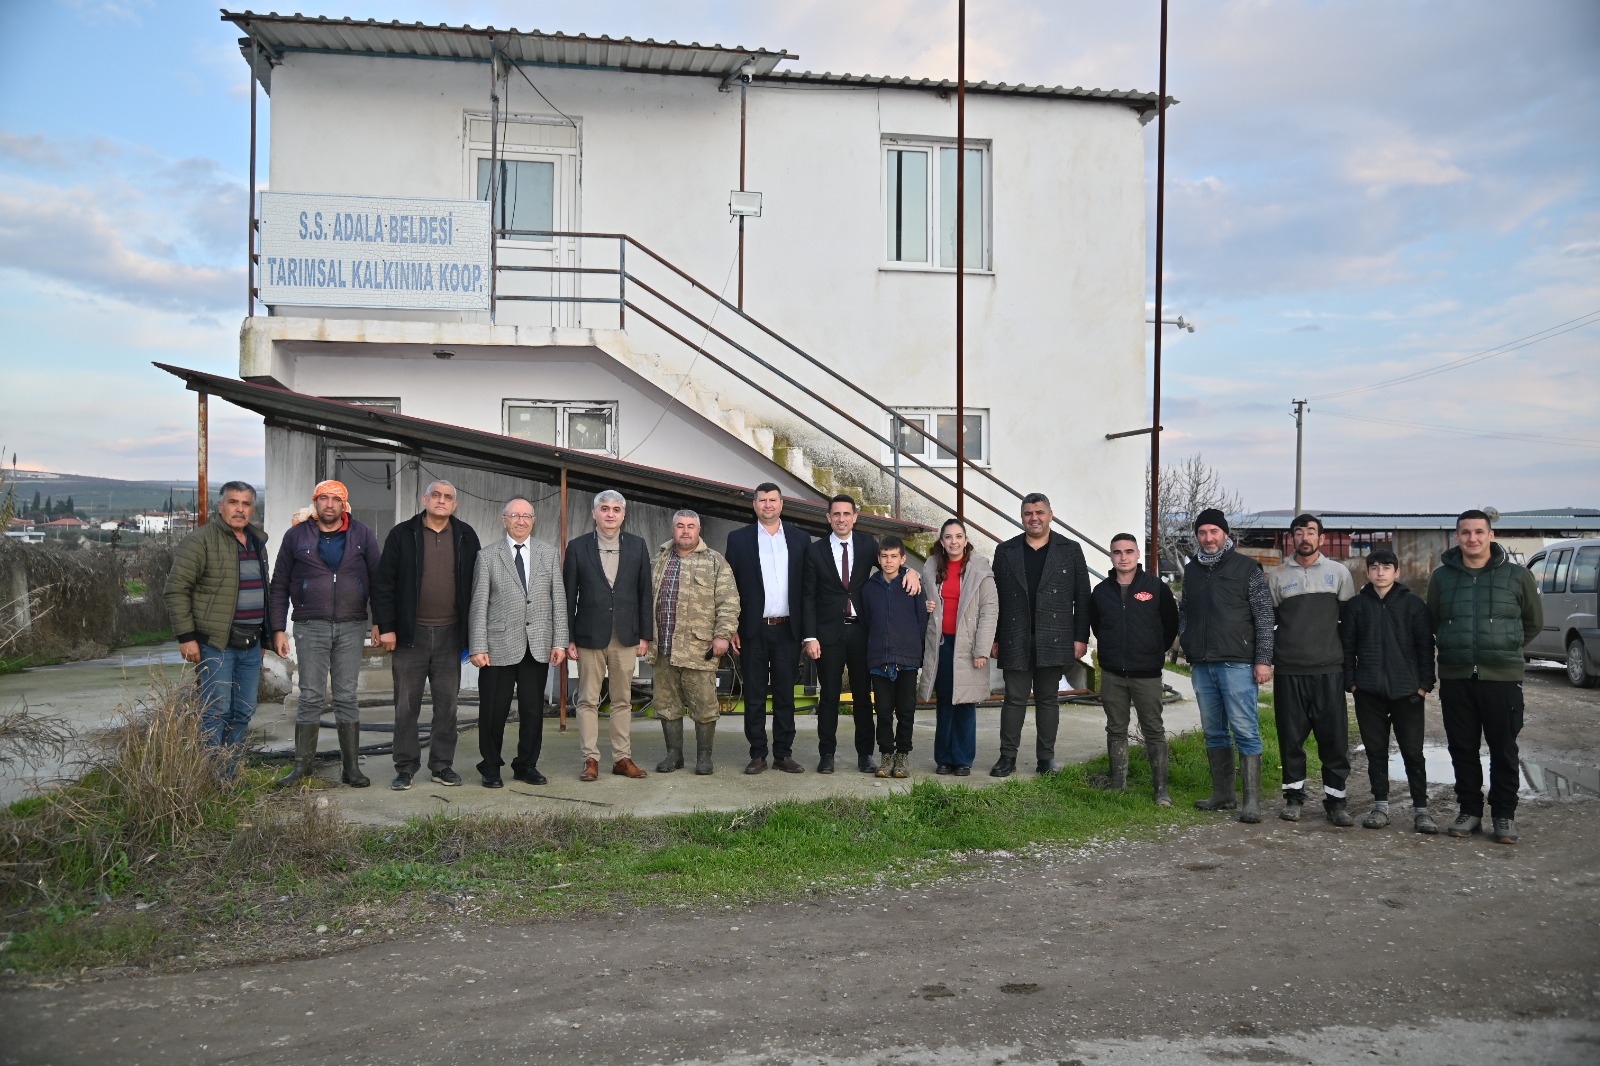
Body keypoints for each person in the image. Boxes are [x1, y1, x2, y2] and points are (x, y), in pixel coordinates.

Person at [1428, 509, 1542, 844]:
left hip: (1502, 677)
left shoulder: (1517, 576)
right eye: (1466, 533)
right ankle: (1470, 811)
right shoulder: (1442, 578)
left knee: (1503, 748)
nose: (1473, 538)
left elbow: (1532, 622)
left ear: (1491, 535)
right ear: (1457, 537)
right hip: (1456, 675)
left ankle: (1504, 815)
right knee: (1462, 747)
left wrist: (1505, 647)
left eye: (1479, 532)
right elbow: (1433, 620)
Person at [268, 480, 382, 789]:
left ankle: (351, 769)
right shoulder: (296, 536)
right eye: (323, 498)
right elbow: (279, 583)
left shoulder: (361, 534)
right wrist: (277, 628)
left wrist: (379, 622)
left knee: (346, 696)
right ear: (315, 503)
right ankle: (301, 767)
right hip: (309, 625)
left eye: (335, 499)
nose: (329, 504)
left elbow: (378, 579)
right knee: (311, 695)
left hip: (351, 625)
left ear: (344, 505)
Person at [372, 480, 481, 791]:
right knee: (406, 705)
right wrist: (387, 625)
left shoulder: (465, 536)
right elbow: (383, 584)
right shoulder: (402, 535)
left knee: (447, 706)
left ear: (454, 504)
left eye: (448, 497)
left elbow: (478, 584)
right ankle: (405, 767)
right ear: (425, 499)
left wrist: (474, 634)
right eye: (436, 495)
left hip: (450, 634)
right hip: (410, 634)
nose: (441, 501)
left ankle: (441, 765)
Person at [800, 495, 921, 774]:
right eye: (836, 514)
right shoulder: (815, 551)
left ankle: (866, 754)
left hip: (862, 633)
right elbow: (807, 596)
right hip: (827, 635)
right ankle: (827, 754)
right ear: (828, 518)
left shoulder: (868, 544)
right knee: (829, 695)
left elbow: (891, 563)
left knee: (863, 697)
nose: (841, 518)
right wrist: (810, 636)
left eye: (846, 513)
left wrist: (911, 571)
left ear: (856, 516)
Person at [163, 481, 270, 764]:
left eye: (246, 504)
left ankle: (228, 775)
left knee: (243, 710)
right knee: (216, 711)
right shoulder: (200, 542)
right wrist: (186, 637)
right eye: (233, 502)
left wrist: (266, 638)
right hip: (216, 644)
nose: (239, 509)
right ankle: (208, 777)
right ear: (220, 506)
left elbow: (264, 591)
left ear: (252, 508)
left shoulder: (258, 543)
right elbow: (176, 589)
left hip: (251, 644)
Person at [1179, 508, 1275, 822]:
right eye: (1203, 532)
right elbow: (1185, 611)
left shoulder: (1247, 568)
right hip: (1202, 665)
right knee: (1214, 733)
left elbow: (1264, 617)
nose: (1208, 538)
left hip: (1237, 664)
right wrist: (1186, 641)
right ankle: (1223, 794)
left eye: (1214, 532)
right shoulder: (1191, 569)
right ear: (1197, 536)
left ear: (1225, 534)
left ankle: (1251, 802)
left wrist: (1263, 659)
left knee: (1246, 731)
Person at [468, 498, 568, 788]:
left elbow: (558, 601)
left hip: (536, 645)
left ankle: (526, 765)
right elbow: (479, 604)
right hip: (497, 646)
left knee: (533, 711)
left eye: (527, 516)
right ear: (504, 520)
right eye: (515, 515)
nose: (521, 521)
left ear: (533, 520)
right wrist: (477, 646)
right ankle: (490, 766)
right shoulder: (487, 556)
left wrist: (559, 641)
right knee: (493, 711)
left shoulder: (548, 554)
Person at [989, 492, 1091, 777]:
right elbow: (995, 598)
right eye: (1028, 513)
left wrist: (1081, 637)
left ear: (1050, 514)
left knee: (1048, 700)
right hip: (1014, 636)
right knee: (1014, 699)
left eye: (1039, 512)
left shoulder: (1070, 550)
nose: (1034, 518)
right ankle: (1007, 757)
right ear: (1022, 517)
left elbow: (1083, 597)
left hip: (1055, 637)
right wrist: (995, 637)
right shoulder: (1005, 551)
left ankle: (1046, 758)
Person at [1265, 513, 1357, 825]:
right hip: (1290, 671)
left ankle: (1336, 801)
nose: (1305, 537)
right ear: (1291, 538)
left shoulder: (1339, 573)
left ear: (1322, 538)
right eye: (1299, 532)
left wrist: (1349, 665)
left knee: (1334, 739)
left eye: (1311, 532)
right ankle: (1293, 798)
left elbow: (1350, 625)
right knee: (1290, 738)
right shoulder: (1276, 576)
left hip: (1329, 670)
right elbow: (1269, 624)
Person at [1342, 549, 1437, 833]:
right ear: (1367, 572)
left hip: (1407, 692)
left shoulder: (1413, 605)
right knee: (1375, 751)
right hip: (1368, 692)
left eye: (1386, 567)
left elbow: (1425, 647)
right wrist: (1353, 683)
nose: (1380, 572)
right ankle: (1380, 806)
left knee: (1413, 752)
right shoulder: (1356, 606)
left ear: (1397, 572)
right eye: (1374, 567)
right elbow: (1347, 648)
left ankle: (1422, 810)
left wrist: (1423, 686)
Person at [563, 489, 653, 782]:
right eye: (604, 509)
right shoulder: (577, 548)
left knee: (622, 699)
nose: (610, 514)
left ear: (623, 515)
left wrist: (645, 636)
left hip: (626, 636)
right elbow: (568, 595)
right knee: (588, 700)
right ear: (594, 513)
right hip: (589, 636)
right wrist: (569, 638)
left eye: (616, 509)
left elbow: (644, 594)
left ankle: (621, 758)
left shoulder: (638, 547)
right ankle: (590, 759)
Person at [725, 483, 811, 775]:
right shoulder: (738, 540)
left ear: (781, 504)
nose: (768, 505)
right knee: (755, 695)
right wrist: (732, 627)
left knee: (786, 694)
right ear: (754, 505)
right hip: (753, 630)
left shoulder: (800, 540)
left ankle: (783, 754)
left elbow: (807, 589)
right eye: (762, 500)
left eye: (773, 500)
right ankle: (758, 753)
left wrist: (807, 631)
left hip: (788, 630)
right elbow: (730, 588)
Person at [1088, 533, 1180, 805]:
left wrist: (1151, 652)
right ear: (1111, 555)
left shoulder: (1155, 587)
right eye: (1118, 552)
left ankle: (1161, 790)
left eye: (1129, 551)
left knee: (1153, 729)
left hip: (1147, 674)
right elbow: (1097, 626)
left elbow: (1170, 625)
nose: (1123, 557)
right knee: (1116, 728)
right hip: (1113, 673)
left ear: (1139, 554)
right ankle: (1118, 784)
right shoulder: (1101, 592)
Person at [649, 510, 739, 775]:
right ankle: (673, 755)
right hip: (664, 648)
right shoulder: (659, 560)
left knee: (704, 707)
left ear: (699, 530)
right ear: (672, 529)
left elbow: (729, 603)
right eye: (680, 526)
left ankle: (704, 757)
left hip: (699, 650)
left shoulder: (715, 562)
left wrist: (723, 635)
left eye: (691, 526)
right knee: (666, 705)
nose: (685, 531)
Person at [918, 518, 997, 777]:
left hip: (969, 644)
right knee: (944, 703)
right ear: (941, 542)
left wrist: (982, 650)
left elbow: (989, 610)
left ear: (966, 540)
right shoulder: (931, 567)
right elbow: (919, 596)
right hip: (941, 644)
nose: (954, 541)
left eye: (958, 536)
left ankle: (963, 760)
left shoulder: (980, 569)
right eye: (948, 537)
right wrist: (924, 604)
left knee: (965, 703)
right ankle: (943, 758)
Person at [861, 536, 927, 779]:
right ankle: (886, 754)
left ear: (903, 559)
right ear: (878, 559)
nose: (889, 561)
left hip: (907, 659)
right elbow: (867, 621)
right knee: (884, 710)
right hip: (879, 659)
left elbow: (922, 621)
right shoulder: (869, 588)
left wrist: (916, 652)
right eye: (884, 557)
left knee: (906, 710)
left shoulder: (913, 585)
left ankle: (902, 756)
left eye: (893, 557)